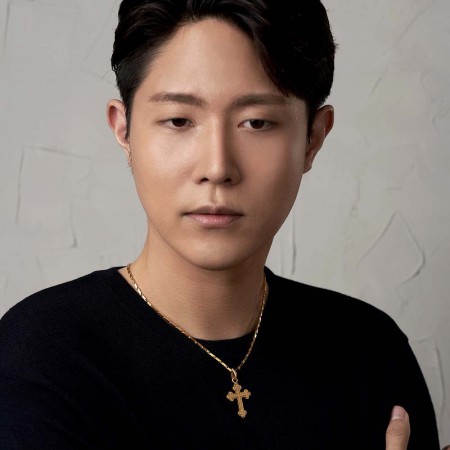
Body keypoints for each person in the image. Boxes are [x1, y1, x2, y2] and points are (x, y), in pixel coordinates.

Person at [0, 1, 445, 449]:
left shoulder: (369, 350)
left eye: (257, 122)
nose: (217, 167)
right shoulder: (41, 355)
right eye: (178, 120)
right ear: (125, 131)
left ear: (313, 139)